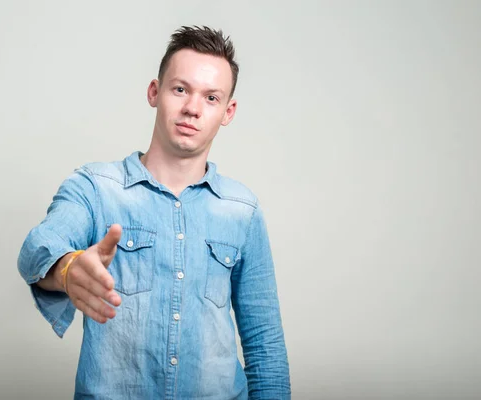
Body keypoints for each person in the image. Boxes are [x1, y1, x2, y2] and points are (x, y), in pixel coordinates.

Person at [18, 25, 291, 399]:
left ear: (228, 112)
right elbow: (39, 245)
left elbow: (265, 346)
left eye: (211, 98)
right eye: (180, 89)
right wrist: (66, 269)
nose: (193, 108)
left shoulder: (242, 211)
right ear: (154, 92)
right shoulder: (96, 187)